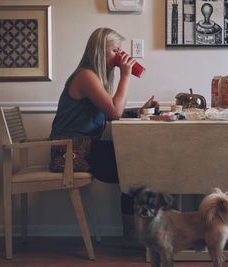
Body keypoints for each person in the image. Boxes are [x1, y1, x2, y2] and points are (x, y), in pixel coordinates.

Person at [49, 27, 156, 244]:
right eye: (115, 49)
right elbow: (114, 113)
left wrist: (141, 110)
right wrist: (126, 75)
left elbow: (110, 113)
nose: (119, 55)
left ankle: (135, 235)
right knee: (134, 167)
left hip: (84, 147)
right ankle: (136, 236)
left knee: (136, 165)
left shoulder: (93, 78)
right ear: (100, 50)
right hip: (70, 152)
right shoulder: (85, 76)